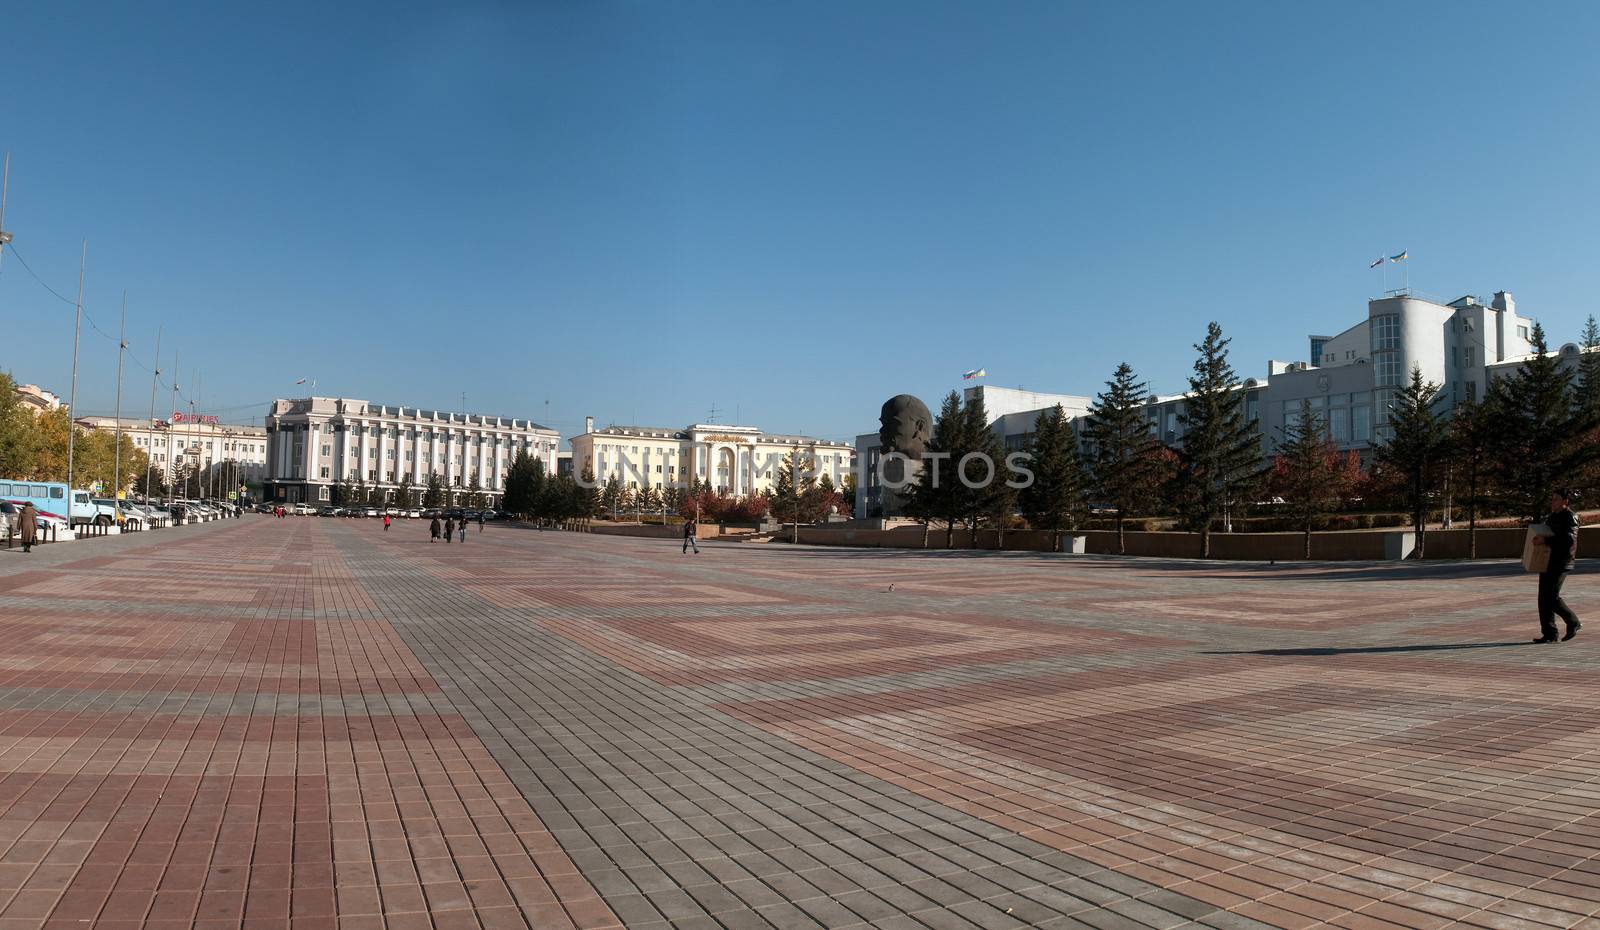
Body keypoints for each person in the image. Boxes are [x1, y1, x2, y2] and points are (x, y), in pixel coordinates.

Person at [1531, 488, 1582, 643]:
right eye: (1552, 499)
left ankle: (1573, 622)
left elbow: (1568, 540)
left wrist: (1546, 541)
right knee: (1543, 598)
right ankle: (1550, 634)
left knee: (1551, 597)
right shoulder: (1553, 516)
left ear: (1565, 501)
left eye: (1556, 499)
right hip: (1548, 560)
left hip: (1562, 561)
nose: (1553, 502)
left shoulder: (1570, 517)